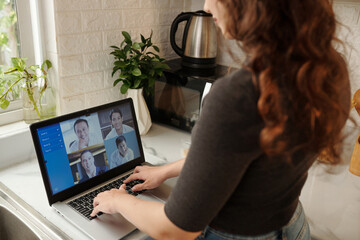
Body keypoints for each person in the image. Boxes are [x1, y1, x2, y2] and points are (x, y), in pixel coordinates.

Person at [91, 0, 351, 239]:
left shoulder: (237, 96)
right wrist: (167, 170)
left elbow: (174, 230)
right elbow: (251, 159)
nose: (206, 5)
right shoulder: (329, 68)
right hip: (292, 226)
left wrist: (119, 200)